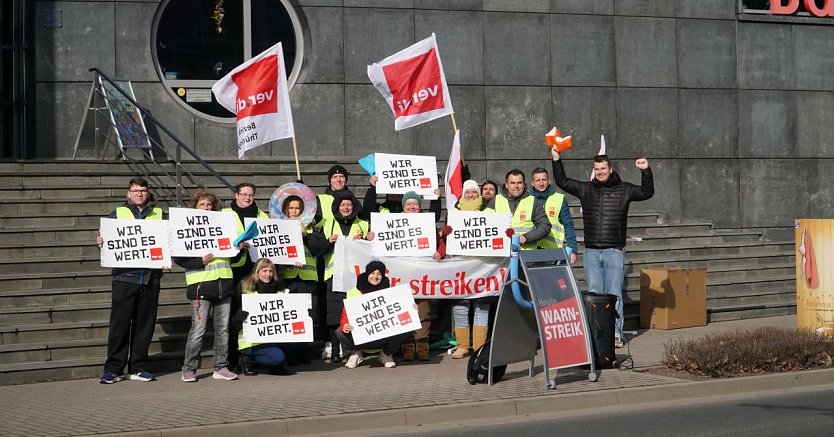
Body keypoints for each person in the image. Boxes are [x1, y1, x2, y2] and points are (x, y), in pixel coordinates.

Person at [551, 148, 654, 348]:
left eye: (603, 168)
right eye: (597, 168)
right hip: (591, 251)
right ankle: (597, 333)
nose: (600, 172)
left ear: (610, 169)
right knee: (595, 293)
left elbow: (646, 192)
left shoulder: (624, 189)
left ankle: (615, 333)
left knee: (614, 292)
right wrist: (556, 158)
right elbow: (563, 181)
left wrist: (646, 170)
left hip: (614, 250)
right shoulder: (585, 189)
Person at [95, 177, 165, 384]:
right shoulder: (118, 213)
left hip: (150, 278)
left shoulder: (160, 214)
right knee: (120, 326)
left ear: (148, 192)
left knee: (145, 326)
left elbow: (169, 240)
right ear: (128, 193)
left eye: (143, 190)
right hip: (124, 278)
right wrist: (101, 242)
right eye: (135, 190)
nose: (139, 193)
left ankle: (139, 367)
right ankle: (113, 369)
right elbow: (107, 239)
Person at [367, 190, 444, 361]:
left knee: (423, 309)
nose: (412, 206)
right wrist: (370, 237)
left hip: (422, 273)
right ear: (403, 206)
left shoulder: (427, 223)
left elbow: (440, 244)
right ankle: (407, 345)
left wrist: (439, 252)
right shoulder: (392, 223)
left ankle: (422, 344)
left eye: (415, 204)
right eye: (408, 204)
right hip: (400, 275)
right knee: (403, 309)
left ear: (419, 206)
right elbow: (378, 243)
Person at [173, 191, 240, 382]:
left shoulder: (223, 224)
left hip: (224, 282)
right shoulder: (185, 226)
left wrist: (239, 247)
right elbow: (178, 257)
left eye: (209, 205)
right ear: (194, 207)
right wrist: (199, 261)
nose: (206, 208)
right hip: (200, 285)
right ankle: (189, 368)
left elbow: (233, 253)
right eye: (202, 204)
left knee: (223, 329)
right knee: (198, 329)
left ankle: (221, 367)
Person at [222, 182, 269, 372]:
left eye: (251, 195)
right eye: (244, 194)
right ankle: (232, 359)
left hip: (255, 272)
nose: (248, 198)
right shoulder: (225, 214)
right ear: (236, 195)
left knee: (253, 315)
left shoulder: (261, 215)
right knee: (235, 316)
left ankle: (251, 357)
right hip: (234, 271)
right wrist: (236, 245)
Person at [278, 194, 328, 365]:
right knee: (290, 316)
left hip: (307, 278)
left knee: (307, 316)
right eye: (291, 208)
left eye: (297, 208)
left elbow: (319, 249)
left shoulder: (311, 227)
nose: (294, 211)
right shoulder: (278, 227)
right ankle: (290, 354)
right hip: (289, 277)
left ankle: (303, 352)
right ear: (285, 209)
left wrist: (306, 235)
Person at [321, 190, 370, 362]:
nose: (346, 207)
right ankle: (336, 349)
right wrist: (328, 242)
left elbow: (369, 248)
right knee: (334, 313)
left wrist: (367, 238)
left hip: (357, 277)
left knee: (354, 312)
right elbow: (318, 248)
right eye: (343, 205)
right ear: (337, 207)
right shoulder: (327, 224)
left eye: (349, 204)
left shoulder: (363, 224)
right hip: (334, 275)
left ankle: (354, 350)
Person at [445, 180, 490, 359]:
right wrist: (446, 232)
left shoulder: (489, 212)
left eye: (474, 192)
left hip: (483, 267)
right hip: (460, 267)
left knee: (481, 306)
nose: (471, 195)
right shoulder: (454, 213)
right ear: (462, 195)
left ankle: (479, 347)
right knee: (461, 306)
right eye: (468, 192)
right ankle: (463, 346)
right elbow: (448, 239)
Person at [337, 261, 406, 369]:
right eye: (373, 273)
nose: (376, 276)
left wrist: (411, 308)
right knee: (340, 332)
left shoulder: (388, 290)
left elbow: (400, 309)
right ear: (367, 273)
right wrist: (345, 324)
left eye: (379, 274)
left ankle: (386, 354)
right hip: (360, 337)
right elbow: (345, 314)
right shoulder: (354, 291)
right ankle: (355, 354)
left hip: (383, 336)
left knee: (407, 325)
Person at [231, 258, 294, 376]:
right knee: (277, 357)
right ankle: (247, 359)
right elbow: (234, 324)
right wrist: (240, 317)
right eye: (264, 271)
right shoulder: (248, 294)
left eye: (271, 271)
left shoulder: (280, 293)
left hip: (272, 338)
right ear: (257, 272)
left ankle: (275, 366)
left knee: (294, 344)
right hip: (251, 342)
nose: (268, 274)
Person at [488, 169, 551, 250]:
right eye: (513, 183)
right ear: (506, 185)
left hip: (526, 255)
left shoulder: (533, 201)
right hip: (502, 253)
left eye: (519, 183)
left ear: (524, 185)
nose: (516, 186)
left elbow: (545, 226)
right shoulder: (495, 201)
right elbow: (484, 224)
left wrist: (526, 237)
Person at [528, 167, 578, 265]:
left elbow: (568, 225)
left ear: (549, 181)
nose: (541, 183)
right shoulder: (526, 198)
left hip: (552, 251)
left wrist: (573, 250)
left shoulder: (559, 198)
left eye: (544, 180)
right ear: (532, 183)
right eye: (538, 180)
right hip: (530, 249)